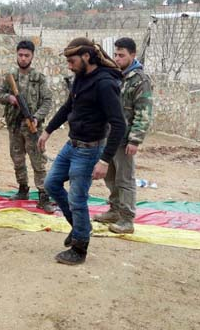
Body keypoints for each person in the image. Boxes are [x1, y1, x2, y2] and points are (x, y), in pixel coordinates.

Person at [38, 37, 127, 265]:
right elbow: (69, 106)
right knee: (51, 184)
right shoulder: (80, 77)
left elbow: (119, 124)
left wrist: (105, 160)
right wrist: (48, 131)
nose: (69, 65)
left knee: (77, 199)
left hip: (90, 151)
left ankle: (79, 248)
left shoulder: (105, 84)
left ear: (87, 56)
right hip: (72, 144)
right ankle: (80, 228)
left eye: (72, 60)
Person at [93, 37, 153, 234]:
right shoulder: (116, 76)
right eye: (116, 54)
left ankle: (127, 219)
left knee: (125, 180)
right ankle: (114, 210)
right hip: (110, 138)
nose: (117, 58)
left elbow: (143, 113)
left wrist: (135, 139)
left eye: (122, 55)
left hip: (125, 139)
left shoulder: (140, 80)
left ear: (133, 55)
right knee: (110, 177)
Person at [0, 40, 54, 213]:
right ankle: (23, 189)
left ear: (32, 56)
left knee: (38, 161)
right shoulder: (10, 76)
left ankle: (44, 196)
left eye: (26, 55)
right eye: (20, 55)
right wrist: (10, 98)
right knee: (17, 160)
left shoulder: (39, 78)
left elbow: (47, 100)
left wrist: (36, 117)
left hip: (32, 126)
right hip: (15, 125)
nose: (23, 58)